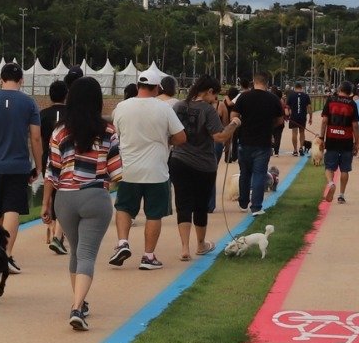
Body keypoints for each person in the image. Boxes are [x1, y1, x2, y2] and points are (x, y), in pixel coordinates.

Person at [40, 77, 121, 332]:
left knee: (75, 252)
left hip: (65, 198)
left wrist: (46, 205)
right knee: (87, 255)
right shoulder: (108, 132)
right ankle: (77, 307)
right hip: (95, 195)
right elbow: (116, 172)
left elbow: (51, 172)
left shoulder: (59, 131)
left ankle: (79, 302)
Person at [108, 72, 186, 270]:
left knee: (124, 207)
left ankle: (122, 242)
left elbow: (116, 133)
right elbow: (181, 137)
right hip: (156, 170)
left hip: (128, 168)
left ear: (137, 86)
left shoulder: (121, 108)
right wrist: (165, 140)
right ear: (157, 88)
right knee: (154, 213)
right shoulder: (164, 108)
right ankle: (148, 256)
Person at [0, 63, 42, 271]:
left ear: (0, 79)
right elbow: (35, 137)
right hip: (18, 165)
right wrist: (38, 166)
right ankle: (5, 254)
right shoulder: (29, 102)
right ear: (21, 80)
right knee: (12, 209)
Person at [170, 75, 239, 261]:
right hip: (203, 164)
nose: (215, 99)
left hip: (179, 159)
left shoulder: (178, 106)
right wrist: (234, 124)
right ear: (209, 91)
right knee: (200, 205)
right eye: (215, 95)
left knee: (182, 203)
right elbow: (220, 136)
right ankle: (200, 245)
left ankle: (184, 247)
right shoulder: (207, 110)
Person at [230, 73, 284, 217]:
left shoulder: (244, 96)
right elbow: (280, 120)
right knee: (259, 174)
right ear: (267, 83)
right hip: (263, 141)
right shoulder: (273, 99)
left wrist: (241, 123)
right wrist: (269, 126)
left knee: (245, 173)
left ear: (254, 82)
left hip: (245, 140)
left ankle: (243, 202)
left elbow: (233, 116)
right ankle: (256, 207)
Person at [38, 78, 71, 254]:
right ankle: (58, 231)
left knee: (49, 192)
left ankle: (50, 226)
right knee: (62, 194)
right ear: (66, 95)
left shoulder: (42, 114)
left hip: (47, 157)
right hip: (65, 159)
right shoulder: (71, 114)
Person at [319, 81, 359, 203]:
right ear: (350, 92)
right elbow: (355, 125)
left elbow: (324, 121)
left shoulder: (330, 100)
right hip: (346, 140)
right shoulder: (352, 104)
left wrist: (322, 137)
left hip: (331, 139)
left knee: (329, 167)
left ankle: (331, 183)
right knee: (345, 169)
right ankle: (341, 195)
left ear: (339, 89)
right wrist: (356, 142)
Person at [287, 82, 312, 156]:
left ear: (295, 88)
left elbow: (287, 107)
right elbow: (309, 107)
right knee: (302, 132)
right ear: (302, 88)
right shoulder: (306, 96)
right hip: (302, 117)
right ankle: (301, 147)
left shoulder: (291, 96)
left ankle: (295, 150)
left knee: (294, 133)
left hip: (294, 117)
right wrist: (311, 117)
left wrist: (288, 114)